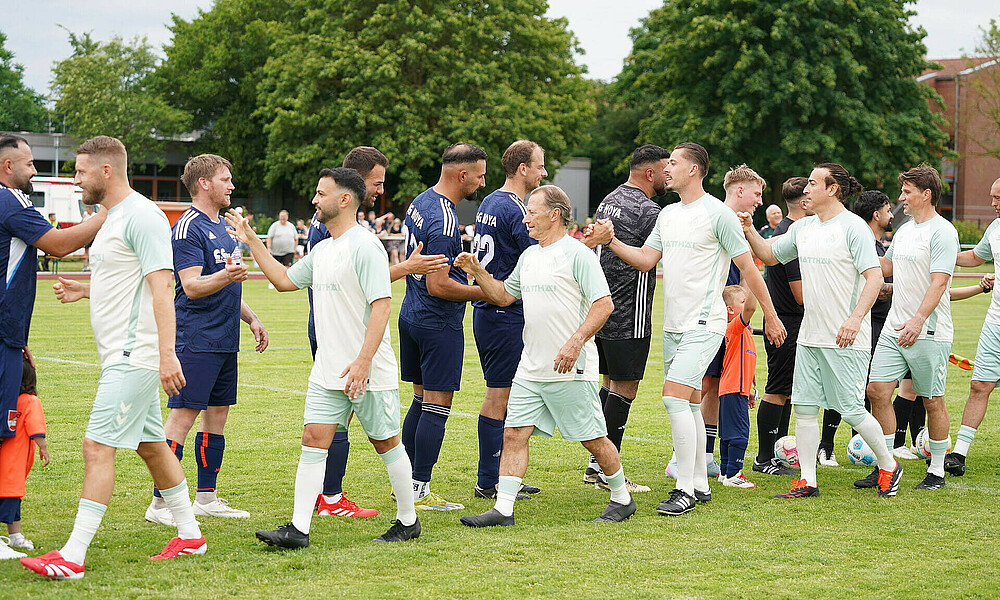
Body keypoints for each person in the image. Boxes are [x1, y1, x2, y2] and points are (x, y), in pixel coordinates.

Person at [25, 136, 205, 581]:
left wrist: (166, 354)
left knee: (96, 446)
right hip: (122, 355)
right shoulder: (110, 218)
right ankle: (190, 535)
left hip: (134, 356)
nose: (76, 179)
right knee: (151, 447)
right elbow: (128, 280)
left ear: (106, 171)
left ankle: (73, 554)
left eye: (80, 171)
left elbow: (162, 286)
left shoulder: (143, 216)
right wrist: (85, 290)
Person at [592, 143, 785, 516]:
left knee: (674, 398)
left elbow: (750, 269)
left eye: (674, 163)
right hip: (674, 326)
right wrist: (610, 241)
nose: (667, 169)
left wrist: (771, 315)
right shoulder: (667, 214)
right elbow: (646, 260)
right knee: (692, 403)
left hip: (705, 324)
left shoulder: (718, 214)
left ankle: (683, 489)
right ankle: (699, 482)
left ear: (694, 169)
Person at [230, 167, 420, 546]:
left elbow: (382, 306)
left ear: (344, 199)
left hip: (366, 370)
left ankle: (408, 520)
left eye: (321, 193)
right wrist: (252, 240)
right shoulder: (323, 249)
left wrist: (363, 362)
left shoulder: (365, 246)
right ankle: (298, 529)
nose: (314, 200)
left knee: (386, 443)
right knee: (313, 439)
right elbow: (283, 280)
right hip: (328, 369)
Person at [456, 185, 636, 526]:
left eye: (532, 212)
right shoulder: (529, 256)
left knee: (593, 440)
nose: (525, 219)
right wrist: (478, 272)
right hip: (531, 367)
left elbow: (604, 304)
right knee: (513, 434)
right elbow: (504, 296)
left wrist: (576, 342)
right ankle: (503, 509)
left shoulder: (578, 254)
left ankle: (622, 498)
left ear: (554, 214)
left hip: (570, 368)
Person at [740, 162, 902, 499]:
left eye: (813, 183)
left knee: (852, 410)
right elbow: (769, 254)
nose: (806, 189)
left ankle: (889, 464)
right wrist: (749, 229)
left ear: (832, 189)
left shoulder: (853, 228)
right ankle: (808, 480)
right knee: (804, 408)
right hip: (809, 337)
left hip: (846, 339)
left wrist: (855, 319)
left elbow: (875, 278)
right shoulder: (803, 228)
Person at [307, 146, 447, 520]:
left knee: (335, 420)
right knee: (348, 421)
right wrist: (407, 268)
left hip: (337, 327)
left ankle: (327, 498)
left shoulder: (337, 224)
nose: (380, 190)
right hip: (343, 331)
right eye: (377, 182)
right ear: (355, 182)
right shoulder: (335, 227)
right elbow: (358, 283)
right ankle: (332, 496)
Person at [143, 154, 268, 526]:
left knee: (217, 417)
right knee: (181, 419)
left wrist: (251, 318)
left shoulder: (225, 226)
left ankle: (206, 498)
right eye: (225, 179)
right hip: (196, 338)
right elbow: (192, 286)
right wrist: (229, 276)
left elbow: (225, 279)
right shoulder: (187, 227)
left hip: (225, 338)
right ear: (204, 183)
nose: (231, 186)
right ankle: (160, 505)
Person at [398, 143, 488, 511]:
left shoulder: (421, 201)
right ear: (462, 174)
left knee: (420, 400)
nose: (482, 183)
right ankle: (419, 488)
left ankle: (404, 484)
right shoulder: (445, 219)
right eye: (479, 176)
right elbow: (439, 285)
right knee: (437, 405)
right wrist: (485, 291)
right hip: (437, 321)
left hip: (411, 314)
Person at [1, 134, 105, 445]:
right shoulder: (11, 199)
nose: (34, 171)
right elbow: (58, 245)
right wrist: (106, 214)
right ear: (8, 166)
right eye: (30, 164)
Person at [664, 163, 765, 480]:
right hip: (704, 319)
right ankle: (680, 459)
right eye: (756, 194)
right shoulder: (711, 217)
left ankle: (704, 456)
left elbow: (749, 273)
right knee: (700, 384)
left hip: (729, 321)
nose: (759, 201)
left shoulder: (742, 226)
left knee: (717, 384)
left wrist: (745, 313)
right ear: (739, 190)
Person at [580, 144, 670, 493]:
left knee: (609, 383)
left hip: (602, 306)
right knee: (625, 387)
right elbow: (651, 258)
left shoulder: (609, 199)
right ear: (649, 173)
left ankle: (595, 465)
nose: (668, 176)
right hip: (630, 311)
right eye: (664, 170)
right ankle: (607, 470)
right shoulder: (650, 210)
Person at [865, 164, 959, 491]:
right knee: (877, 391)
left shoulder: (943, 232)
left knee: (932, 400)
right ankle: (887, 465)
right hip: (894, 328)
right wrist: (854, 254)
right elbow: (887, 265)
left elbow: (940, 282)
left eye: (907, 192)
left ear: (926, 194)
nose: (901, 197)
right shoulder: (904, 230)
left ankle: (937, 471)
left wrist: (918, 320)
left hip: (929, 331)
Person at [469, 140, 546, 500]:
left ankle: (502, 473)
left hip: (490, 311)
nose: (544, 172)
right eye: (539, 165)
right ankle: (489, 480)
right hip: (503, 312)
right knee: (499, 396)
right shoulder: (516, 208)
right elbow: (540, 255)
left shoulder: (490, 201)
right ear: (522, 168)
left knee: (508, 395)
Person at [816, 190, 895, 466]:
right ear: (876, 214)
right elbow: (873, 287)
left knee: (864, 390)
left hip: (879, 325)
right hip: (861, 324)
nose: (891, 215)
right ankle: (826, 446)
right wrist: (902, 289)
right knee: (846, 388)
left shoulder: (879, 246)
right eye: (888, 209)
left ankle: (859, 445)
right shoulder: (861, 242)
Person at [752, 178, 809, 476]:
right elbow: (801, 294)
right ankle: (764, 458)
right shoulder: (790, 236)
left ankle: (778, 454)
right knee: (777, 389)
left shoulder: (786, 230)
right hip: (786, 321)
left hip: (788, 320)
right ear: (804, 202)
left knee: (786, 390)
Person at [947, 176, 1000, 476]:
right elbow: (976, 257)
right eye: (992, 197)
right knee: (979, 385)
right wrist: (941, 255)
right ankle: (959, 454)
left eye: (998, 198)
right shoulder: (995, 228)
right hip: (994, 323)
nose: (993, 203)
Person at [0, 358, 48, 560]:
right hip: (14, 463)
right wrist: (43, 447)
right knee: (11, 497)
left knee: (11, 497)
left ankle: (15, 536)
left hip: (6, 461)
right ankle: (14, 536)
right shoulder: (30, 401)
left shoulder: (6, 400)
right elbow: (35, 427)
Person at [718, 285, 757, 489]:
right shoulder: (735, 326)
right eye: (741, 301)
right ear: (730, 310)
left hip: (733, 389)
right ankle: (734, 474)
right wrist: (755, 282)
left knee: (728, 434)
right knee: (739, 434)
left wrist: (748, 389)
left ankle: (725, 472)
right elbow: (751, 308)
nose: (746, 304)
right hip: (733, 389)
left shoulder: (742, 331)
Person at [82, 205, 96, 271]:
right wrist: (83, 218)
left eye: (86, 208)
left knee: (95, 250)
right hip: (87, 235)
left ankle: (94, 265)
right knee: (86, 250)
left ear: (90, 209)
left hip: (94, 235)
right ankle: (85, 266)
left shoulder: (95, 215)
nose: (85, 210)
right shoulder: (86, 216)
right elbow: (81, 225)